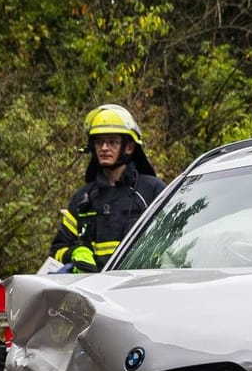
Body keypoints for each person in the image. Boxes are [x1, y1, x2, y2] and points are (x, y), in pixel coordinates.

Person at [49, 104, 165, 273]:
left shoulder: (152, 191)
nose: (104, 148)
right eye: (99, 142)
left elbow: (178, 238)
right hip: (95, 292)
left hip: (141, 287)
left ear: (129, 147)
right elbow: (57, 250)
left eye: (112, 142)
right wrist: (74, 254)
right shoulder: (83, 199)